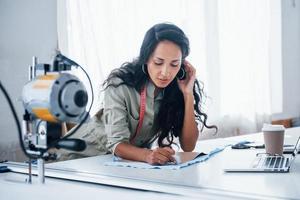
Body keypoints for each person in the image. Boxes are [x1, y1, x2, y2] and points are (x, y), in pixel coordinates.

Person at [57, 23, 217, 165]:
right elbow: (117, 144)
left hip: (116, 165)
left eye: (174, 64)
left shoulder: (176, 88)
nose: (165, 72)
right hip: (74, 159)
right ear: (146, 58)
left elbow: (188, 146)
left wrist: (187, 95)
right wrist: (148, 155)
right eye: (158, 62)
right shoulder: (119, 84)